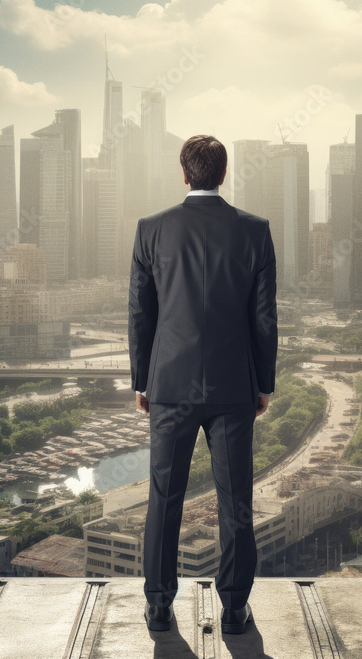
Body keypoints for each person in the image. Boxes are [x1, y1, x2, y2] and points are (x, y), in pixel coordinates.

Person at [129, 134, 277, 635]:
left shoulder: (151, 230)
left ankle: (158, 606)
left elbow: (140, 313)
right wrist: (263, 384)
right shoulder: (255, 231)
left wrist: (142, 381)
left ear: (184, 173)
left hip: (170, 385)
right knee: (236, 499)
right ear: (224, 173)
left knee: (164, 497)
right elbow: (264, 318)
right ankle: (234, 608)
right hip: (234, 387)